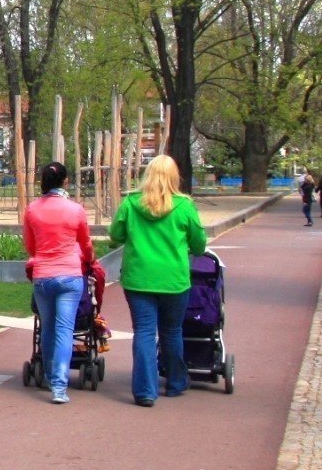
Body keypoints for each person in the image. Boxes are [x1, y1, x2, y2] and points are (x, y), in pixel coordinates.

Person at [110, 155, 208, 407]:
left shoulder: (131, 204)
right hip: (173, 278)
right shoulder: (184, 207)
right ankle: (175, 381)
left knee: (143, 331)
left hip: (138, 278)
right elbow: (199, 244)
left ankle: (145, 390)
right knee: (172, 331)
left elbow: (116, 235)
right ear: (174, 177)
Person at [23, 161, 94, 405]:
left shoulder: (32, 209)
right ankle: (59, 387)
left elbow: (30, 246)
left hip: (43, 274)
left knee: (48, 328)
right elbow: (85, 243)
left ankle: (50, 374)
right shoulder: (76, 210)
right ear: (65, 182)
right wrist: (90, 260)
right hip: (70, 274)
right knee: (65, 329)